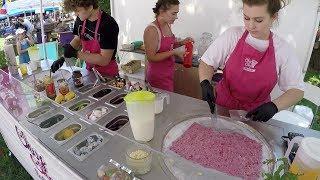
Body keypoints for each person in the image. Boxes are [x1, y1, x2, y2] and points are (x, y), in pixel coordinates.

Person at [199, 0, 304, 122]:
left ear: (274, 16)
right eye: (246, 18)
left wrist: (274, 106)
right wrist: (205, 82)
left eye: (258, 20)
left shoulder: (282, 50)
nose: (250, 26)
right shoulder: (232, 36)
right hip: (222, 106)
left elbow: (296, 90)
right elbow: (207, 63)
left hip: (256, 115)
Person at [51, 0, 119, 77]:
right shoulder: (80, 20)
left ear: (90, 7)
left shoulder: (108, 24)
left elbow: (104, 60)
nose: (76, 13)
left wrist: (76, 54)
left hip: (108, 75)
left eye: (78, 10)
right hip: (90, 71)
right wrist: (64, 56)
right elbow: (77, 39)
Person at [144, 0, 193, 92]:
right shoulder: (151, 30)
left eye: (177, 13)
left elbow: (168, 45)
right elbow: (151, 57)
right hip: (157, 77)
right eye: (173, 13)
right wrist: (174, 52)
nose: (176, 17)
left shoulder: (167, 25)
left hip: (167, 74)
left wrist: (182, 42)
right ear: (162, 11)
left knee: (168, 102)